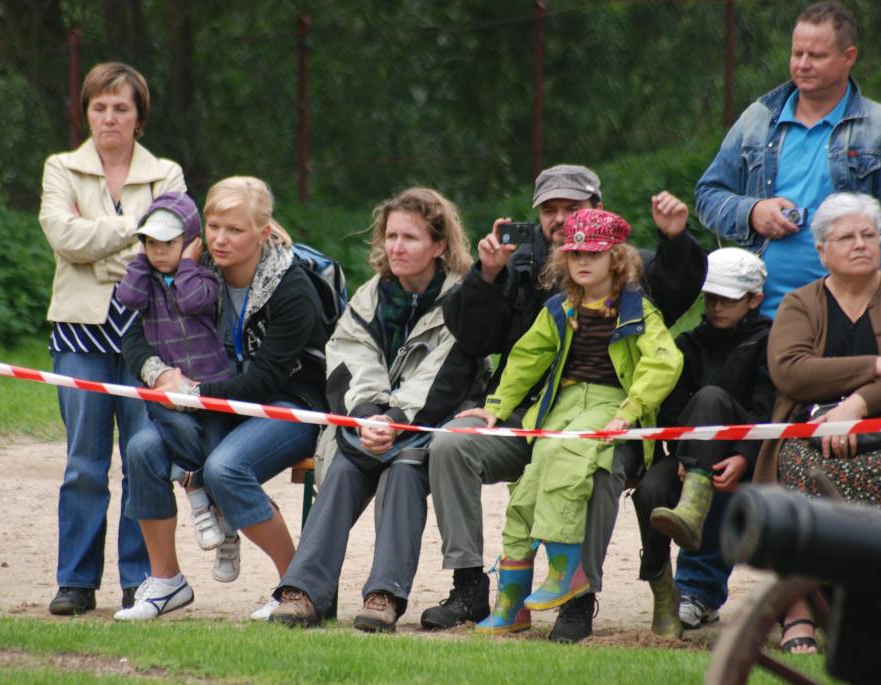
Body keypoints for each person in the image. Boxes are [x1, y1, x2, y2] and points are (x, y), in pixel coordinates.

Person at [423, 164, 705, 642]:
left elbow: (664, 353)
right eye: (549, 212)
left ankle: (575, 594)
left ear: (615, 251)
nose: (580, 259)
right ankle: (490, 592)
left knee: (578, 466)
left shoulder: (638, 294)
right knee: (477, 454)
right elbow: (518, 356)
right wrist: (493, 403)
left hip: (615, 417)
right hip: (544, 414)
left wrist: (628, 412)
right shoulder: (533, 280)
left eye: (571, 210)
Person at [269, 187, 486, 632]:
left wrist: (395, 420)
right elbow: (349, 356)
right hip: (366, 423)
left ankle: (383, 594)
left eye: (410, 237)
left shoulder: (461, 300)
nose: (396, 247)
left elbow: (444, 378)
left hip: (430, 425)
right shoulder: (370, 296)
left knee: (403, 469)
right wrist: (369, 414)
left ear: (439, 246)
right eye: (391, 236)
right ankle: (304, 591)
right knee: (348, 466)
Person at [115, 176, 328, 621]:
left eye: (234, 229)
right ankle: (167, 581)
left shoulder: (292, 288)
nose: (219, 239)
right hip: (207, 403)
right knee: (140, 451)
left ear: (262, 233)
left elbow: (264, 382)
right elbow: (133, 335)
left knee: (226, 468)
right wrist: (159, 374)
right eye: (213, 226)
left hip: (287, 404)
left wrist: (189, 393)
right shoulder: (190, 271)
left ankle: (299, 587)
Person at [38, 62, 185, 615]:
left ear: (139, 116)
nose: (109, 117)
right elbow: (65, 238)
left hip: (150, 334)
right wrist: (135, 229)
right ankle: (75, 581)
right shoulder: (61, 168)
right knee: (84, 460)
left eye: (121, 107)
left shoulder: (166, 172)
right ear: (86, 112)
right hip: (80, 333)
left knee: (143, 454)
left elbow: (171, 245)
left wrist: (101, 242)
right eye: (99, 106)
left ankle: (140, 579)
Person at [754, 192, 881, 653]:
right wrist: (878, 365)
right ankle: (798, 609)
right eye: (847, 237)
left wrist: (857, 404)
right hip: (808, 431)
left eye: (869, 235)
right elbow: (791, 372)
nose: (860, 244)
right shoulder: (800, 304)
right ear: (822, 250)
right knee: (796, 470)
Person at [695, 1, 881, 318]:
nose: (803, 64)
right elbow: (707, 196)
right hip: (757, 315)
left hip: (848, 317)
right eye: (797, 53)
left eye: (816, 55)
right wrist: (752, 212)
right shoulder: (757, 119)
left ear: (849, 57)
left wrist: (873, 293)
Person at [632, 248, 774, 638]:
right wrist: (689, 452)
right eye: (709, 297)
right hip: (692, 454)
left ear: (754, 299)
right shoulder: (687, 343)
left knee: (711, 395)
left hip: (749, 454)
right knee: (650, 490)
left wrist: (745, 458)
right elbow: (669, 410)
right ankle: (664, 592)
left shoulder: (770, 340)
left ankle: (697, 590)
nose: (715, 307)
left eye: (726, 299)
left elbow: (771, 411)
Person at [115, 191, 233, 553]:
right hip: (168, 389)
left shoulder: (206, 278)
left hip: (211, 384)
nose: (159, 250)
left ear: (191, 243)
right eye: (150, 242)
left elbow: (192, 300)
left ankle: (227, 525)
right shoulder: (145, 282)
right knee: (176, 429)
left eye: (169, 242)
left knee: (215, 450)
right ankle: (197, 495)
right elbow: (127, 297)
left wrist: (186, 264)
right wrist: (139, 259)